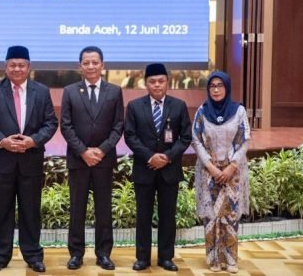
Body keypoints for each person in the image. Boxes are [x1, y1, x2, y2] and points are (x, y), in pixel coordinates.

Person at [0, 46, 58, 273]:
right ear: (6, 66)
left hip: (30, 160)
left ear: (29, 67)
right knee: (0, 211)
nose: (17, 69)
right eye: (12, 65)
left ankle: (32, 255)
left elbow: (50, 123)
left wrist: (33, 141)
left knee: (30, 211)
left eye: (21, 65)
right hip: (1, 161)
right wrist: (3, 141)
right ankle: (1, 256)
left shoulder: (41, 91)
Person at [60, 46, 124, 270]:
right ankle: (76, 253)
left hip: (104, 161)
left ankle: (103, 253)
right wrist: (84, 151)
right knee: (77, 208)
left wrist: (102, 150)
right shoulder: (69, 91)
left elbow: (118, 126)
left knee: (103, 209)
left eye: (95, 62)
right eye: (86, 62)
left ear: (102, 65)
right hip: (79, 160)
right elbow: (65, 126)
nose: (90, 66)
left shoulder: (115, 91)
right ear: (80, 66)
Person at [124, 63, 192, 272]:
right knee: (143, 216)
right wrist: (150, 156)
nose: (157, 85)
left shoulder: (179, 106)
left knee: (167, 216)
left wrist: (168, 157)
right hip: (144, 169)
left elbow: (185, 137)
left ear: (167, 82)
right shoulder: (135, 106)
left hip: (169, 171)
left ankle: (166, 257)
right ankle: (142, 258)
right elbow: (130, 136)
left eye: (161, 81)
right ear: (146, 83)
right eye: (152, 81)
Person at [191, 71, 250, 274]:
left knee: (230, 216)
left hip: (233, 173)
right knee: (211, 216)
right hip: (210, 172)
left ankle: (231, 259)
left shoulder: (239, 111)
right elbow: (196, 140)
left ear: (227, 87)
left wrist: (231, 166)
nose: (216, 89)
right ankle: (213, 259)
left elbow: (244, 140)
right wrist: (212, 167)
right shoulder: (202, 111)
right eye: (212, 86)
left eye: (220, 85)